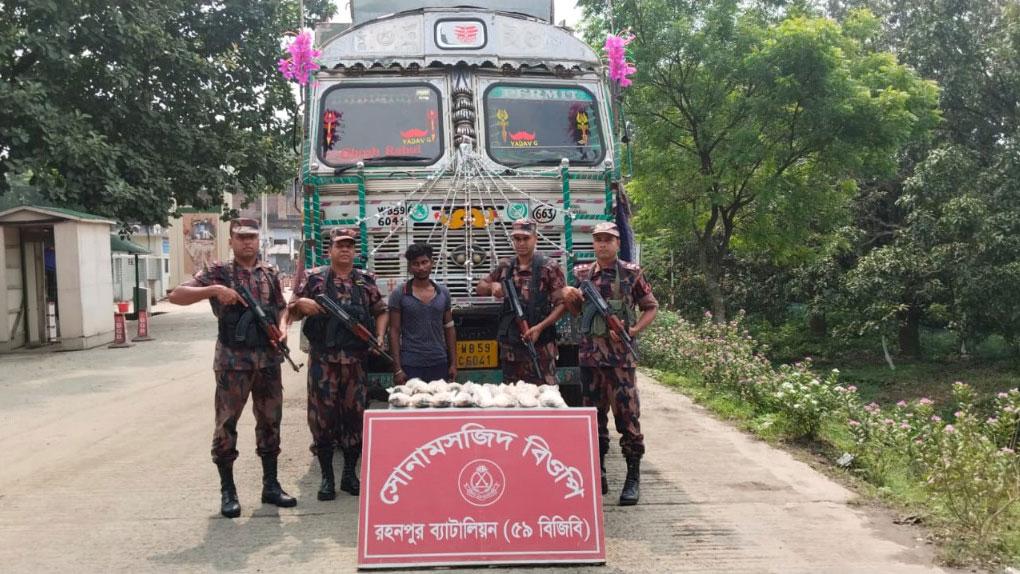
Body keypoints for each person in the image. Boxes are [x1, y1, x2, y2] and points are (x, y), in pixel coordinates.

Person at [168, 217, 297, 518]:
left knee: (270, 423)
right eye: (241, 237)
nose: (247, 242)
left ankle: (271, 485)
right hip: (232, 363)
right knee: (226, 426)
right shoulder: (218, 272)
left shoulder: (270, 273)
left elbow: (282, 309)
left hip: (267, 360)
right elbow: (176, 295)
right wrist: (213, 290)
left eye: (252, 237)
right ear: (231, 241)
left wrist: (282, 328)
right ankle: (228, 491)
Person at [562, 221, 658, 506]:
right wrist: (571, 299)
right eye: (598, 240)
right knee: (592, 419)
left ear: (617, 244)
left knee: (628, 419)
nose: (602, 244)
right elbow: (579, 313)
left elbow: (651, 306)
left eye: (608, 240)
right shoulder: (582, 274)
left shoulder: (630, 274)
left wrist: (634, 331)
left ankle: (632, 477)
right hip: (590, 359)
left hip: (620, 361)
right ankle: (597, 471)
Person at [288, 228, 387, 500]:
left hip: (355, 362)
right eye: (339, 245)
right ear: (329, 250)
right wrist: (301, 304)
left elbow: (381, 311)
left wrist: (378, 336)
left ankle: (349, 476)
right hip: (323, 362)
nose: (345, 250)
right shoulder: (314, 279)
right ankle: (327, 478)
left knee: (354, 418)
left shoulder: (366, 281)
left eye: (350, 246)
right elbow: (290, 312)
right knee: (323, 420)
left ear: (355, 251)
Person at [475, 218, 566, 385]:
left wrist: (540, 327)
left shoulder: (549, 267)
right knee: (512, 399)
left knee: (545, 396)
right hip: (511, 350)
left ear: (535, 238)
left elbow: (562, 304)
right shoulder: (506, 265)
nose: (521, 243)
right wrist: (492, 287)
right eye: (517, 239)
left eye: (526, 238)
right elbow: (480, 287)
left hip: (541, 347)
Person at [389, 243, 457, 385]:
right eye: (416, 264)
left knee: (439, 405)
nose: (421, 268)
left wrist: (453, 364)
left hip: (439, 362)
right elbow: (394, 331)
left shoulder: (443, 293)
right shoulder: (399, 294)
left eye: (425, 262)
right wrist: (397, 369)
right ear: (409, 267)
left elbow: (449, 328)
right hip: (411, 365)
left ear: (432, 263)